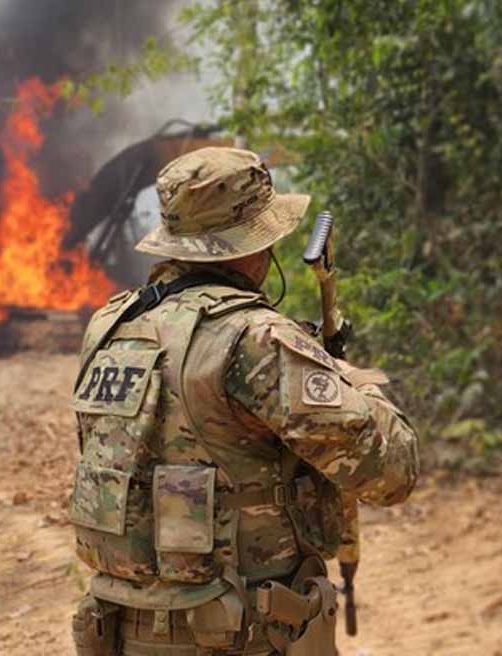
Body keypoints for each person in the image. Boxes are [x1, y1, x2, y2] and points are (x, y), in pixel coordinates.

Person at [68, 147, 419, 656]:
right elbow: (392, 471)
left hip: (122, 632)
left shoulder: (111, 325)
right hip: (239, 636)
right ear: (255, 245)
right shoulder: (255, 339)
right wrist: (353, 381)